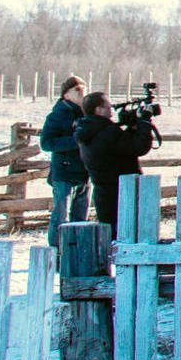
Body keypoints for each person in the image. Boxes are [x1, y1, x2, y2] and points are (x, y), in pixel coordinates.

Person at [75, 90, 155, 231]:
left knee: (110, 235)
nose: (111, 110)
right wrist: (144, 122)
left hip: (104, 193)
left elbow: (120, 148)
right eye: (108, 107)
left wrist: (130, 127)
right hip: (122, 191)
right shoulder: (108, 132)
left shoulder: (87, 131)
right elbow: (138, 147)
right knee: (127, 233)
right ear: (98, 110)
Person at [39, 74, 89, 245]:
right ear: (66, 94)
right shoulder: (57, 116)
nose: (82, 93)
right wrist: (75, 141)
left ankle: (78, 254)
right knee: (61, 217)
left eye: (84, 89)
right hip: (64, 173)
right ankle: (56, 252)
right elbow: (46, 143)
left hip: (84, 173)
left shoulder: (86, 114)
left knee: (81, 217)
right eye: (78, 90)